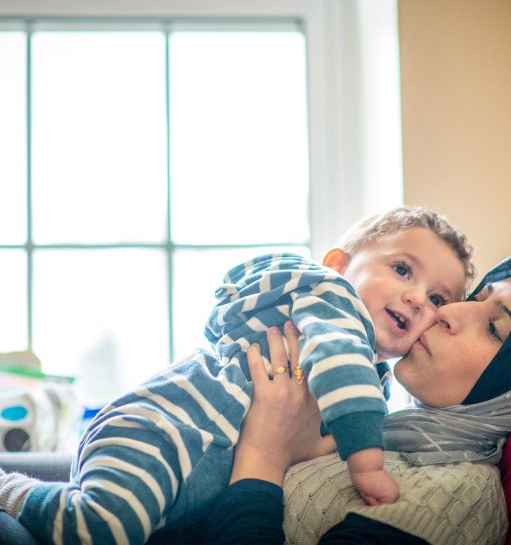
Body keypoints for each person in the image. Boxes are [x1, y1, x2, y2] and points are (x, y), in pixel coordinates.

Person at [0, 206, 474, 544]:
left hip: (188, 478)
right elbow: (339, 364)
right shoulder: (333, 301)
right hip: (162, 430)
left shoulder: (378, 384)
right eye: (402, 269)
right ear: (339, 265)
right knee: (107, 527)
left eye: (438, 298)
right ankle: (14, 490)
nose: (417, 298)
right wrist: (366, 465)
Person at [191, 251, 511, 544]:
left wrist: (262, 455)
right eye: (475, 299)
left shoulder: (455, 496)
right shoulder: (379, 424)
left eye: (494, 329)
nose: (447, 313)